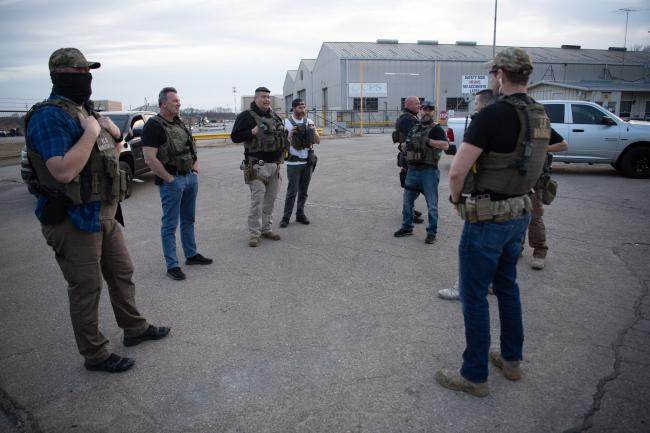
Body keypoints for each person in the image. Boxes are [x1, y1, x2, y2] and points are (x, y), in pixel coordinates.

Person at [25, 48, 169, 373]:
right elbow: (62, 171)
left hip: (104, 211)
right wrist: (92, 131)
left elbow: (112, 152)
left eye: (87, 73)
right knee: (87, 287)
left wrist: (111, 131)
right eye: (79, 74)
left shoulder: (84, 111)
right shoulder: (50, 116)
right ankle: (95, 353)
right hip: (72, 217)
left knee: (121, 273)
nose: (86, 79)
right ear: (59, 76)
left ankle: (134, 328)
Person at [436, 47, 552, 397]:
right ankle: (511, 360)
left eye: (492, 74)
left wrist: (456, 201)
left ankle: (474, 376)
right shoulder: (539, 113)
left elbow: (457, 171)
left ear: (500, 74)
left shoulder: (493, 114)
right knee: (507, 287)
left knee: (473, 297)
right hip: (520, 211)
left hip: (488, 217)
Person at [142, 87, 213, 281]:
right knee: (170, 224)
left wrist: (195, 171)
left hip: (190, 177)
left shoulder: (180, 123)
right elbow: (149, 158)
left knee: (188, 219)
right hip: (172, 180)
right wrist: (170, 179)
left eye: (179, 100)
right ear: (163, 103)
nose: (178, 103)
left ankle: (191, 255)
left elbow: (192, 148)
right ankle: (172, 265)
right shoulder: (154, 126)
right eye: (174, 100)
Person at [438, 89, 496, 300]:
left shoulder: (484, 122)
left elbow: (457, 171)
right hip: (508, 197)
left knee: (472, 246)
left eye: (477, 103)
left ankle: (462, 287)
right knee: (492, 245)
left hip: (482, 197)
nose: (475, 107)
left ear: (485, 104)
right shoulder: (516, 118)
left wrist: (457, 199)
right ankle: (490, 282)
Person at [231, 87, 287, 247]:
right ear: (255, 98)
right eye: (263, 96)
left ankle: (266, 229)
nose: (267, 99)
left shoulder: (274, 116)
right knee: (258, 201)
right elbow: (234, 136)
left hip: (275, 166)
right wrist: (251, 132)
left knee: (270, 201)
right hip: (256, 166)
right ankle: (254, 234)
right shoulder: (246, 116)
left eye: (268, 97)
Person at [393, 101, 449, 243]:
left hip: (428, 172)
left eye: (430, 110)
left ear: (433, 112)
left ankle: (432, 232)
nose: (426, 112)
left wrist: (428, 141)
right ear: (421, 111)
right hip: (412, 170)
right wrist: (404, 146)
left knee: (432, 204)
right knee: (407, 202)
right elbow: (406, 143)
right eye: (424, 109)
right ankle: (407, 227)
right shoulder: (415, 128)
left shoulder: (436, 129)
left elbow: (445, 145)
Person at [527, 139, 568, 270]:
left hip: (534, 180)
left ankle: (540, 252)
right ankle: (516, 247)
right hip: (515, 178)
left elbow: (563, 145)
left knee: (534, 216)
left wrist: (543, 149)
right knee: (515, 215)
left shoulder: (540, 124)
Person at [280, 98, 320, 227]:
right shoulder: (285, 122)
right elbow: (280, 142)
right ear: (294, 108)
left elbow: (317, 141)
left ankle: (300, 214)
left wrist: (313, 130)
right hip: (293, 163)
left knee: (304, 191)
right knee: (292, 191)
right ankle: (286, 217)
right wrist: (290, 134)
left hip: (307, 162)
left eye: (304, 107)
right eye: (300, 107)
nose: (303, 110)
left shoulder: (309, 121)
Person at [393, 96, 425, 225]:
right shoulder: (408, 119)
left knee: (413, 186)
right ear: (409, 104)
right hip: (410, 157)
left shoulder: (410, 117)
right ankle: (408, 211)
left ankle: (408, 209)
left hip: (410, 157)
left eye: (419, 103)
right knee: (413, 187)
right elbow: (411, 139)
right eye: (417, 103)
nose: (419, 105)